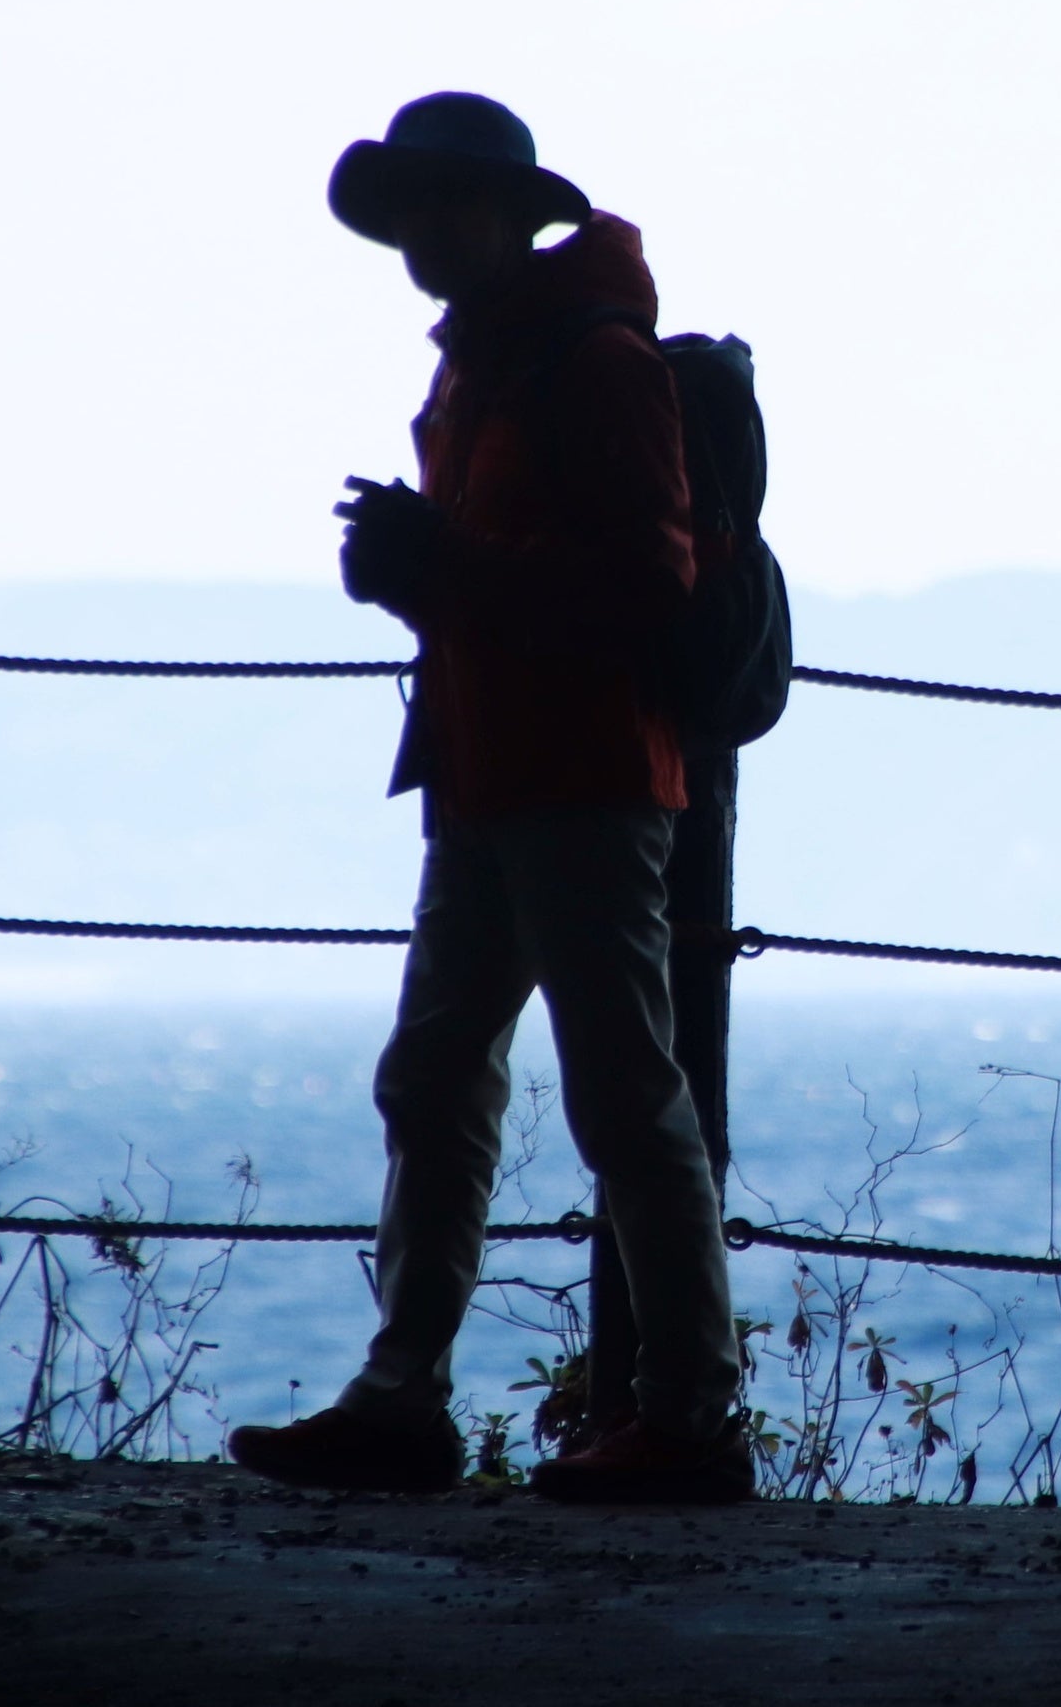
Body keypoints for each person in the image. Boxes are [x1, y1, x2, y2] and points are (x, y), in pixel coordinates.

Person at [228, 92, 749, 1503]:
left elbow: (647, 586)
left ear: (515, 217)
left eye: (444, 203)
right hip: (487, 773)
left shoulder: (591, 360)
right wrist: (415, 571)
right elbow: (535, 581)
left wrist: (436, 564)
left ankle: (687, 1421)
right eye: (410, 209)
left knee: (617, 1096)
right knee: (441, 1079)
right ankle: (409, 1397)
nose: (421, 232)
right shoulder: (492, 364)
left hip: (580, 778)